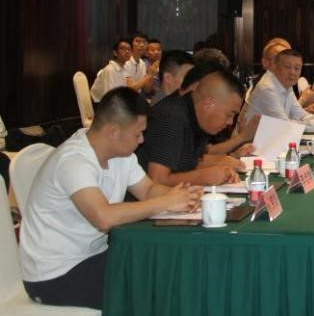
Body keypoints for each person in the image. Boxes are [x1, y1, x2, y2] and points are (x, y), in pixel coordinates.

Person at [18, 88, 201, 309]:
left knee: (165, 268)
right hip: (54, 273)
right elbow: (103, 218)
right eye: (137, 134)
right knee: (154, 290)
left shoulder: (121, 155)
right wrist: (166, 202)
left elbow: (148, 190)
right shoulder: (74, 160)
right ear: (113, 131)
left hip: (93, 257)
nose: (142, 140)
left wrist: (187, 197)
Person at [136, 70, 246, 186]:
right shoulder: (171, 118)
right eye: (229, 114)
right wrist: (202, 177)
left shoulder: (199, 119)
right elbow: (157, 179)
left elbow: (190, 163)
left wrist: (225, 162)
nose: (230, 122)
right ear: (209, 103)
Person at [244, 49, 314, 130]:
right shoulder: (267, 88)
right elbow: (284, 125)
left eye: (297, 68)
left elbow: (299, 114)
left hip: (271, 136)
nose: (292, 72)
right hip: (251, 141)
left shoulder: (286, 84)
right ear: (275, 67)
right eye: (287, 67)